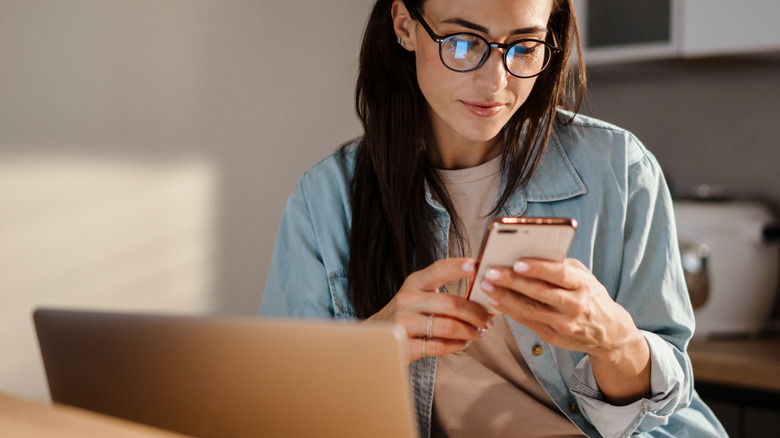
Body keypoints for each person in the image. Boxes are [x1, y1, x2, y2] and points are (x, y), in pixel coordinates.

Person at [259, 0, 728, 436]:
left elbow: (665, 403)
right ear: (405, 26)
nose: (495, 83)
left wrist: (614, 341)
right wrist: (376, 345)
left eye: (524, 47)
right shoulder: (327, 198)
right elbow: (272, 405)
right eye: (463, 43)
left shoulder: (621, 169)